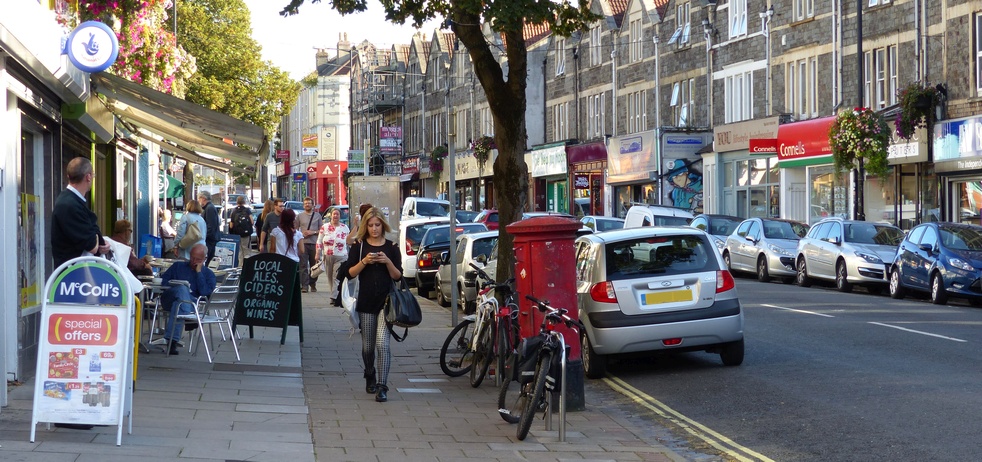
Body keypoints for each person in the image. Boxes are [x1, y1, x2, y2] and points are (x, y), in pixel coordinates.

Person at [343, 207, 402, 402]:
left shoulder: (392, 247)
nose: (374, 229)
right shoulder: (359, 246)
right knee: (368, 346)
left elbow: (398, 276)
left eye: (377, 225)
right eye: (370, 225)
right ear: (365, 226)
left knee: (382, 345)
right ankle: (370, 373)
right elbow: (350, 273)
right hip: (366, 301)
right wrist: (365, 261)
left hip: (386, 303)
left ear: (383, 225)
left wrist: (387, 262)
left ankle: (383, 386)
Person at [50, 157, 110, 268]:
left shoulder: (70, 200)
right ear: (88, 177)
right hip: (73, 277)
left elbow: (92, 236)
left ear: (69, 176)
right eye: (93, 175)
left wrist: (98, 239)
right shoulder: (70, 205)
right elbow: (92, 246)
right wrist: (97, 237)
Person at [159, 243, 216, 356]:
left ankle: (172, 342)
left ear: (204, 259)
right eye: (192, 257)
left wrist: (199, 273)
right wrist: (177, 287)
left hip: (187, 303)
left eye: (198, 259)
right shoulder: (178, 266)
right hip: (169, 298)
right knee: (182, 289)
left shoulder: (208, 274)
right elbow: (164, 281)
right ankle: (189, 318)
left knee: (178, 304)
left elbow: (205, 292)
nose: (194, 261)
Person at [316, 207, 349, 300]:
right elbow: (319, 241)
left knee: (336, 276)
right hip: (328, 255)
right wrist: (317, 253)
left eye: (337, 214)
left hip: (341, 255)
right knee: (330, 277)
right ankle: (333, 293)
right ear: (331, 215)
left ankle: (335, 297)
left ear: (339, 216)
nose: (335, 216)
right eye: (334, 214)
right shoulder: (325, 227)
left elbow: (349, 240)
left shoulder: (344, 227)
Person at [297, 197, 323, 292]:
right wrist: (301, 234)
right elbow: (295, 229)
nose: (307, 205)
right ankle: (304, 286)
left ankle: (312, 283)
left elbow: (322, 230)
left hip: (314, 243)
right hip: (303, 243)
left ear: (313, 205)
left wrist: (313, 232)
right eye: (306, 203)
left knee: (314, 266)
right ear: (303, 205)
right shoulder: (299, 216)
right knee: (303, 265)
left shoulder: (317, 216)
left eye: (309, 203)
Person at [229, 196, 254, 267]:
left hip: (237, 234)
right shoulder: (247, 210)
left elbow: (231, 225)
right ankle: (247, 266)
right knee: (246, 249)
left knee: (240, 250)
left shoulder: (234, 211)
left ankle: (240, 266)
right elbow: (252, 222)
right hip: (245, 234)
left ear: (237, 202)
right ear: (244, 202)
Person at [198, 191, 220, 264]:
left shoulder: (209, 208)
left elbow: (211, 226)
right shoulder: (208, 208)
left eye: (199, 198)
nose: (198, 201)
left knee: (206, 261)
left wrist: (204, 236)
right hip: (210, 239)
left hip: (209, 240)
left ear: (203, 198)